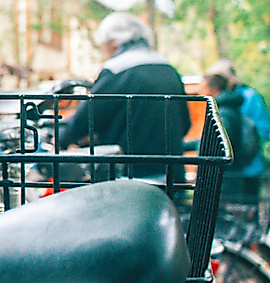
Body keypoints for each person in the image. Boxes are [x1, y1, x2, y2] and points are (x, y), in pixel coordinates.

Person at [57, 12, 191, 179]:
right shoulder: (168, 69)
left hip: (130, 177)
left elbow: (87, 118)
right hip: (171, 174)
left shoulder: (117, 70)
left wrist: (60, 139)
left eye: (103, 45)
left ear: (113, 43)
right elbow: (185, 124)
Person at [201, 73, 263, 202]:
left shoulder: (223, 114)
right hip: (234, 173)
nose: (201, 92)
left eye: (203, 88)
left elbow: (220, 143)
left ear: (213, 90)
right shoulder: (231, 110)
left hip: (226, 176)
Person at [207, 58, 270, 179]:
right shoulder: (226, 100)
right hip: (234, 167)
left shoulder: (248, 97)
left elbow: (263, 130)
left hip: (249, 166)